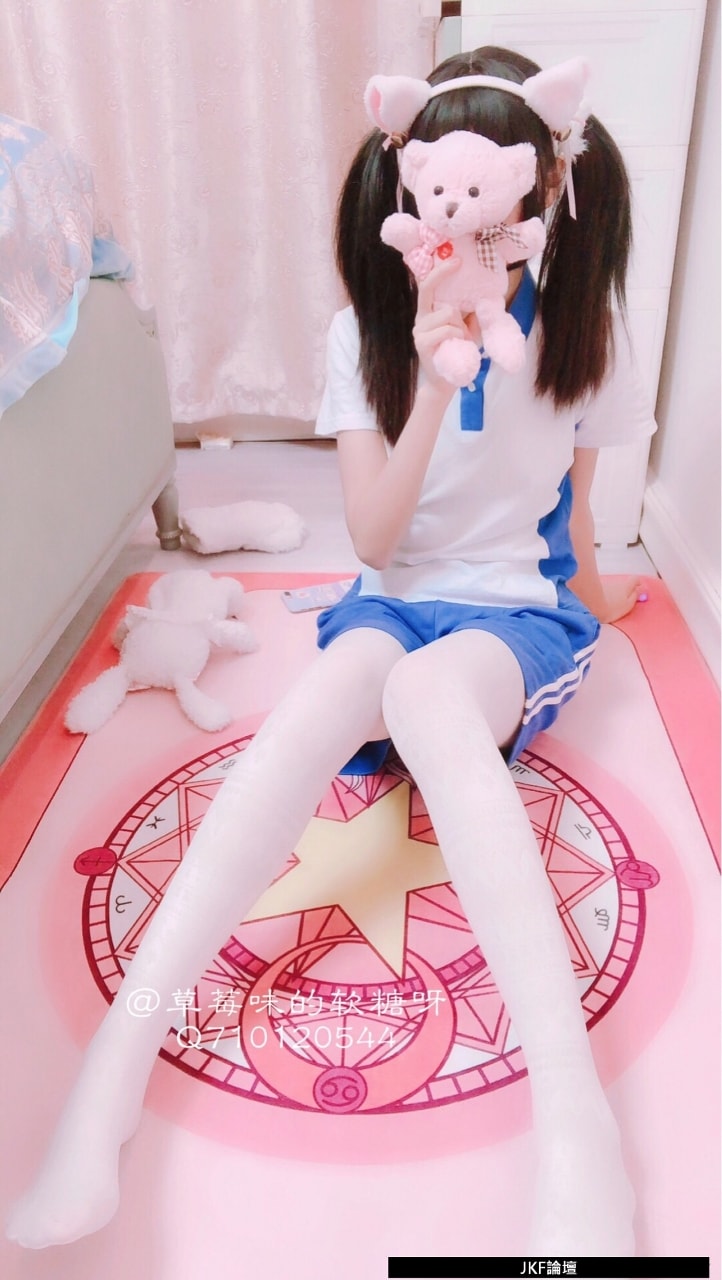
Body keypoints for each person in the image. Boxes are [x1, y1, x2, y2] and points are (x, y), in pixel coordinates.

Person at [7, 46, 655, 1255]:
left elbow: (570, 510)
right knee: (321, 701)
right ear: (409, 198)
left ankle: (578, 1125)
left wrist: (605, 600)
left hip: (515, 618)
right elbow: (370, 538)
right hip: (389, 597)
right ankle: (111, 1074)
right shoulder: (363, 330)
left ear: (535, 192)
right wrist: (427, 379)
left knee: (428, 693)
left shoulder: (583, 327)